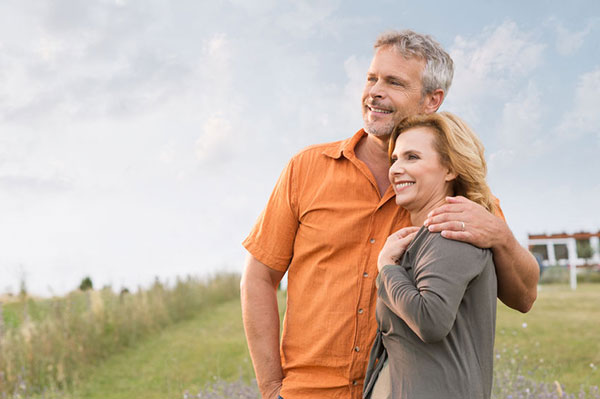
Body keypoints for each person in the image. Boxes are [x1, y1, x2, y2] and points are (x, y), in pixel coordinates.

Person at [241, 29, 539, 399]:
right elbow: (259, 277)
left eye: (394, 82)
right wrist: (271, 389)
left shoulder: (461, 195)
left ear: (432, 99)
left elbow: (524, 298)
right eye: (372, 78)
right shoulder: (306, 169)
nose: (374, 92)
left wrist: (500, 236)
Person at [363, 112, 498, 399]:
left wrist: (386, 267)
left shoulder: (450, 233)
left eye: (412, 157)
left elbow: (430, 320)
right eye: (395, 159)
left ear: (449, 168)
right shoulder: (427, 236)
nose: (396, 168)